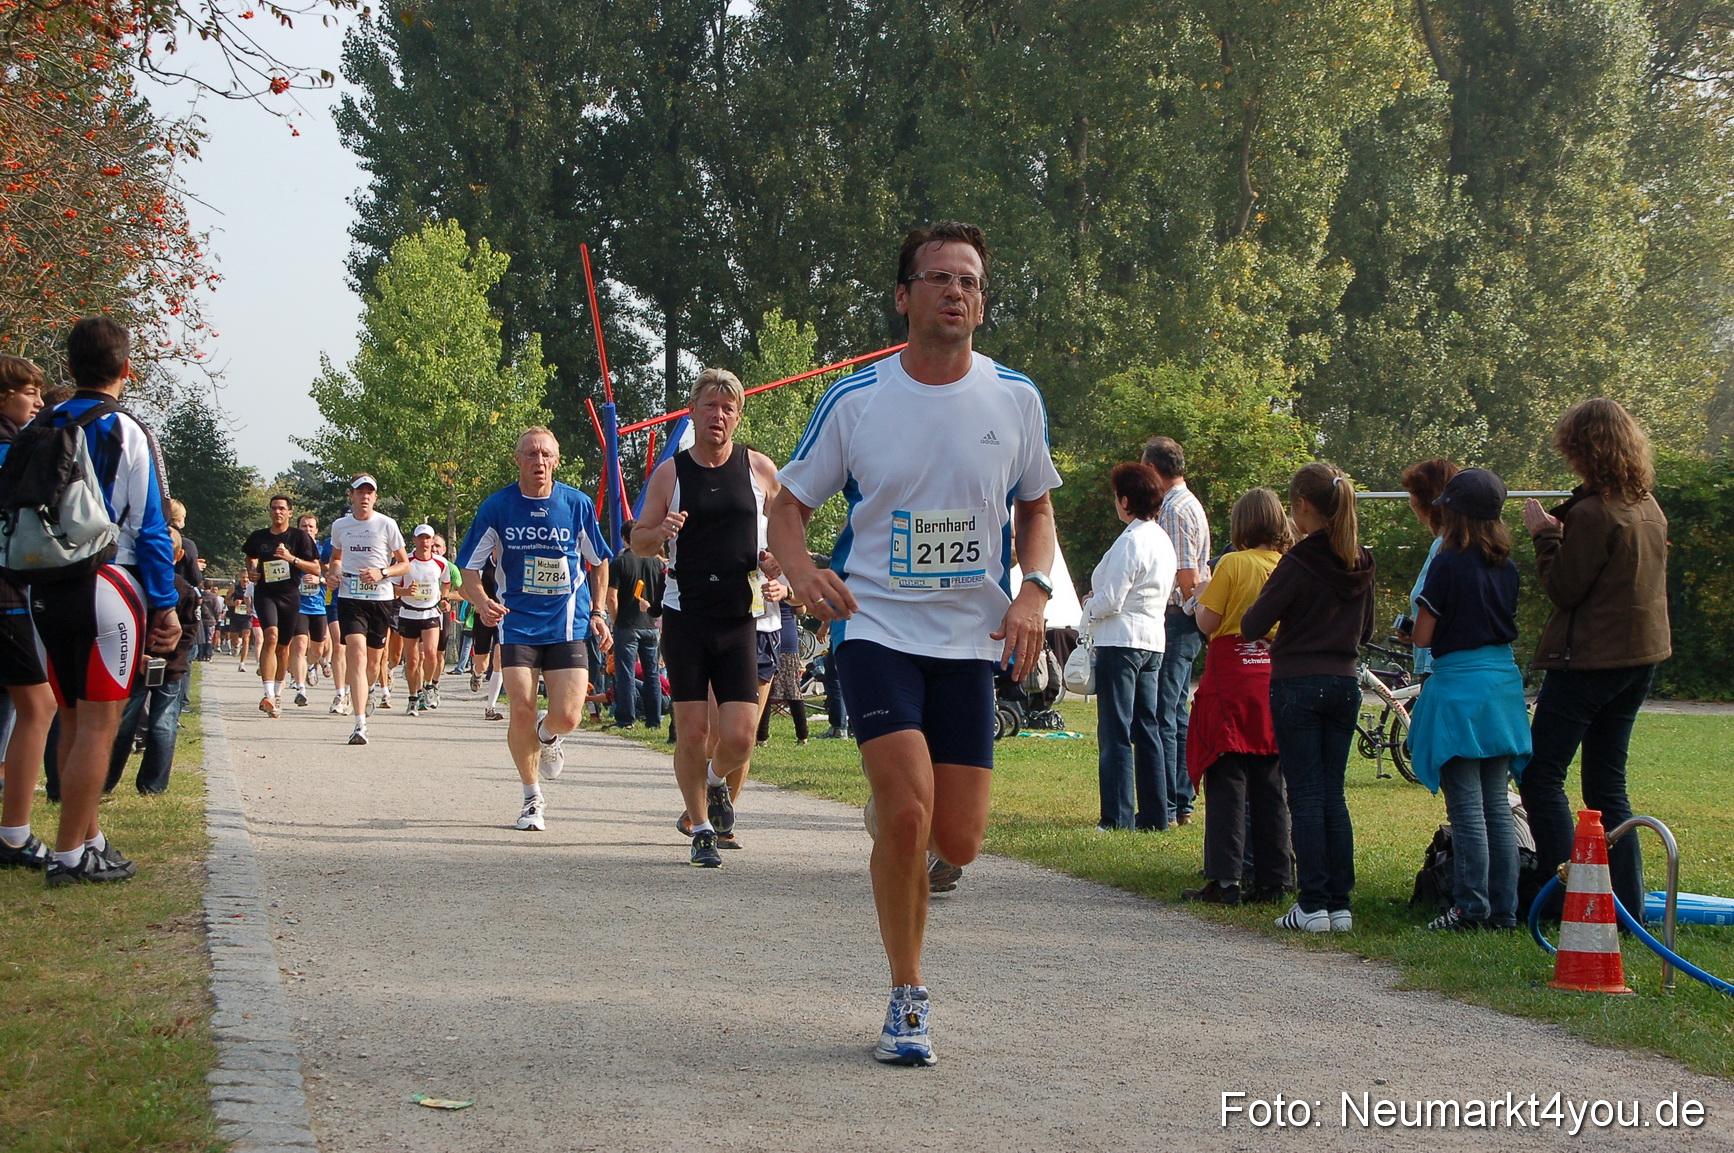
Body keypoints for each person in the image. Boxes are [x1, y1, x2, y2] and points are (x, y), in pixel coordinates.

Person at [767, 221, 1060, 1066]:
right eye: (938, 278)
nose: (956, 292)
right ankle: (907, 997)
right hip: (879, 627)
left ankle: (905, 824)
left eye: (969, 280)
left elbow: (1037, 504)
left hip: (972, 639)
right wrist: (801, 568)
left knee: (958, 839)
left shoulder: (1015, 398)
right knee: (907, 811)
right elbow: (788, 505)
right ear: (904, 296)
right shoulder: (858, 401)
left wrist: (1033, 589)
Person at [26, 317, 181, 886]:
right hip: (108, 581)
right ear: (125, 369)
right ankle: (70, 856)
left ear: (69, 368)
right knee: (100, 722)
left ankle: (86, 834)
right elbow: (153, 528)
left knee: (70, 718)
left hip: (44, 583)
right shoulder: (127, 429)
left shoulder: (39, 424)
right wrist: (165, 604)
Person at [1519, 399, 1670, 920]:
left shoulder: (1592, 513)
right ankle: (1627, 905)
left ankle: (1564, 895)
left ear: (1582, 449)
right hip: (1639, 658)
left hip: (1589, 661)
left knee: (1540, 773)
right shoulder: (1646, 505)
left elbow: (1564, 588)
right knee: (1607, 784)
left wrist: (1544, 536)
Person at [633, 370, 782, 867]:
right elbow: (639, 539)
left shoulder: (759, 469)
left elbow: (787, 535)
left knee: (740, 736)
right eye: (709, 406)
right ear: (692, 412)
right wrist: (662, 531)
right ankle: (699, 827)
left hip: (742, 615)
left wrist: (781, 567)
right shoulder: (671, 473)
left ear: (738, 415)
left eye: (728, 407)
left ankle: (716, 781)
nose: (718, 415)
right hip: (687, 613)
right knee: (693, 730)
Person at [456, 427, 612, 831]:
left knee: (569, 716)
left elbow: (599, 560)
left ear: (556, 460)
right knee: (521, 710)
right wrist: (480, 601)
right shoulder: (498, 507)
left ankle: (548, 736)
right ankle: (532, 798)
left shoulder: (575, 504)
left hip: (566, 623)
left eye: (545, 454)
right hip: (518, 623)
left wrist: (599, 611)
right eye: (530, 454)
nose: (538, 461)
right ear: (518, 460)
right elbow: (468, 568)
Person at [1241, 462, 1374, 933]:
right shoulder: (1359, 560)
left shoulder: (1299, 562)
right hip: (1344, 681)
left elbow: (1254, 623)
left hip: (1298, 681)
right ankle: (1339, 902)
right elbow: (1367, 629)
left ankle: (1312, 901)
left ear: (1300, 506)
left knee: (1305, 793)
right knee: (1333, 793)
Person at [1407, 468, 1532, 930]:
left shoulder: (1447, 561)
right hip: (1502, 685)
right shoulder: (1507, 564)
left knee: (1466, 809)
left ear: (1452, 512)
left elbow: (1424, 632)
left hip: (1459, 686)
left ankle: (1469, 907)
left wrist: (1410, 629)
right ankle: (1504, 910)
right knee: (1497, 804)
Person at [1182, 487, 1294, 905]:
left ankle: (1225, 878)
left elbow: (1209, 622)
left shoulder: (1232, 563)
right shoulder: (1286, 564)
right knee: (1270, 781)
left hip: (1232, 674)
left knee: (1227, 778)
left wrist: (1200, 597)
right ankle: (1273, 879)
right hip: (1273, 672)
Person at [1083, 462, 1176, 832]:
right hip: (1153, 639)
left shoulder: (1131, 540)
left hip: (1120, 640)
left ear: (1125, 500)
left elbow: (1112, 600)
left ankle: (1117, 817)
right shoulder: (1161, 539)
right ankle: (1156, 815)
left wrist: (1089, 605)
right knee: (1148, 729)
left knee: (1116, 732)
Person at [0, 356, 61, 870]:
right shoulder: (11, 449)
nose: (37, 402)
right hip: (6, 596)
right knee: (39, 707)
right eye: (28, 392)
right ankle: (13, 835)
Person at [1142, 436, 1211, 826]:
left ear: (1154, 469)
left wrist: (1190, 611)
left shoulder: (1174, 509)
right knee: (1177, 712)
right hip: (1185, 620)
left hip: (1177, 618)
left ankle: (1167, 803)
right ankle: (1181, 800)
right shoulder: (1188, 503)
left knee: (1164, 711)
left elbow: (1186, 576)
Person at [105, 527, 199, 794]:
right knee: (141, 724)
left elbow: (188, 632)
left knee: (152, 724)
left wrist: (156, 656)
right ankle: (126, 783)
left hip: (161, 668)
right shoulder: (150, 585)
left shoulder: (176, 590)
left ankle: (133, 783)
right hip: (146, 666)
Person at [326, 475, 410, 745]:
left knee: (374, 663)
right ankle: (359, 724)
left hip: (380, 599)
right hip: (350, 597)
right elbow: (336, 558)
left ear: (375, 497)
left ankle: (369, 689)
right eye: (359, 492)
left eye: (369, 493)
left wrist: (382, 572)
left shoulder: (387, 524)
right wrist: (333, 574)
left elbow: (404, 564)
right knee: (357, 654)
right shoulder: (340, 525)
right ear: (351, 496)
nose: (364, 497)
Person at [1398, 459, 1460, 679]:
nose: (1411, 501)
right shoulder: (1452, 545)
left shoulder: (1442, 548)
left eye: (1413, 493)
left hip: (1437, 666)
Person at [609, 520, 665, 731]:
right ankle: (654, 720)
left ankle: (626, 719)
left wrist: (615, 620)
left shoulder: (620, 562)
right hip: (652, 624)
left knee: (626, 673)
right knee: (652, 674)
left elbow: (612, 597)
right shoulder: (659, 563)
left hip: (627, 624)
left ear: (624, 539)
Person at [394, 524, 454, 716]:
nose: (425, 542)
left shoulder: (440, 562)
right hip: (409, 612)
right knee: (411, 661)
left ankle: (429, 685)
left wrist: (444, 598)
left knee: (430, 653)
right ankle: (413, 697)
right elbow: (392, 588)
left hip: (430, 612)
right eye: (421, 538)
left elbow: (446, 581)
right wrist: (405, 591)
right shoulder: (405, 562)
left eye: (428, 538)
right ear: (414, 540)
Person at [289, 512, 332, 706]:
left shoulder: (323, 551)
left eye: (310, 527)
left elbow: (332, 576)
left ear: (316, 530)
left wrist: (319, 579)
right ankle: (300, 689)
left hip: (319, 606)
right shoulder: (290, 550)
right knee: (298, 645)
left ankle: (312, 665)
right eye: (303, 526)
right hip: (297, 605)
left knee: (318, 649)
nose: (307, 530)